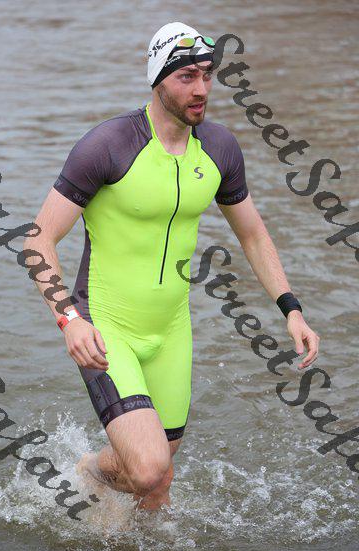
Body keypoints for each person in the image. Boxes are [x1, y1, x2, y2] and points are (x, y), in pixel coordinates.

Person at [23, 21, 320, 511]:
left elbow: (252, 234)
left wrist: (291, 310)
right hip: (106, 328)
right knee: (149, 468)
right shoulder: (109, 145)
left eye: (207, 75)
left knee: (158, 477)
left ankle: (133, 545)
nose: (201, 88)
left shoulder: (220, 148)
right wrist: (68, 319)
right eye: (186, 76)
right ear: (157, 80)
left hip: (171, 331)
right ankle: (92, 475)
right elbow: (38, 240)